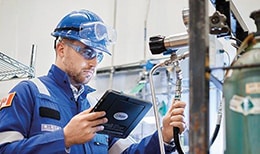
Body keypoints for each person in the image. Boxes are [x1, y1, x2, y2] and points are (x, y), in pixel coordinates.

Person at [0, 9, 186, 154]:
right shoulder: (29, 92)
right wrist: (63, 138)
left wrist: (164, 136)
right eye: (88, 52)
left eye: (98, 56)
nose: (94, 62)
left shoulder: (95, 106)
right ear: (61, 49)